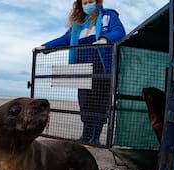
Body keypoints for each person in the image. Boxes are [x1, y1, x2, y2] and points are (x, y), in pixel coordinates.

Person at [35, 0, 126, 146]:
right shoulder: (78, 24)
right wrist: (45, 46)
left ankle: (95, 137)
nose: (88, 5)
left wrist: (104, 39)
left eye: (90, 1)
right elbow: (64, 39)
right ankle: (86, 135)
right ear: (80, 5)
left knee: (101, 102)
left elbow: (119, 32)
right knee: (85, 102)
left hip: (102, 68)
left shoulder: (108, 15)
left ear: (97, 2)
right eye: (84, 2)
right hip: (82, 69)